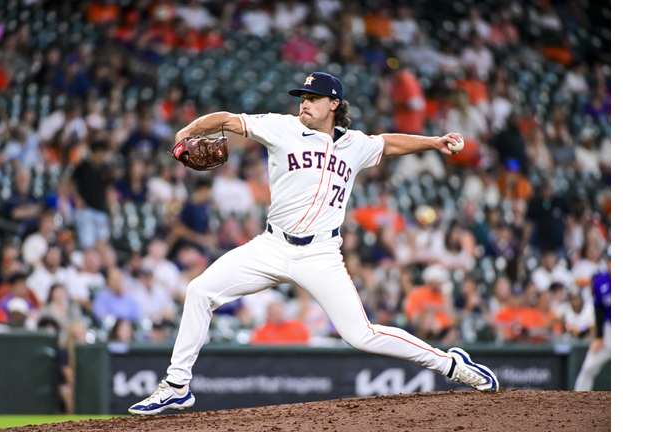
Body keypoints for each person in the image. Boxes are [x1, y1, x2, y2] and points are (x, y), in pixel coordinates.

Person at [129, 72, 499, 416]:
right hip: (271, 247)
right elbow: (227, 119)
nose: (304, 103)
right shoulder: (281, 127)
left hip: (321, 254)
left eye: (313, 98)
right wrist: (187, 131)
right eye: (302, 97)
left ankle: (451, 365)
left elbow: (388, 144)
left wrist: (434, 142)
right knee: (199, 291)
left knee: (361, 335)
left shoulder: (354, 144)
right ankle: (177, 384)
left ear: (333, 104)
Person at [574, 247, 611, 391]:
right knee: (588, 367)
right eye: (610, 261)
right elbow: (599, 309)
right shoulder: (600, 281)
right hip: (609, 330)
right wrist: (599, 336)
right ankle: (576, 402)